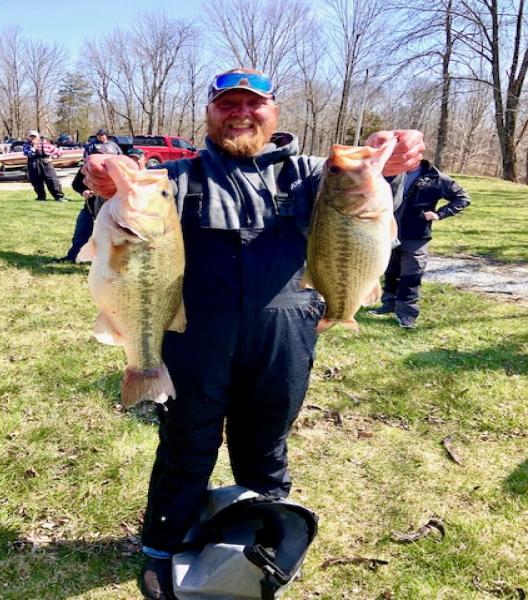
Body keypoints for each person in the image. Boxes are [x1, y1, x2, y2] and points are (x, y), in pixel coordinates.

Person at [131, 69, 423, 600]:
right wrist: (103, 181)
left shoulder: (311, 175)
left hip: (285, 334)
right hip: (196, 336)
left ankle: (263, 545)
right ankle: (163, 546)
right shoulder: (177, 177)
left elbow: (367, 199)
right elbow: (124, 212)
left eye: (254, 104)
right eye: (227, 104)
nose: (240, 113)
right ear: (209, 113)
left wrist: (394, 156)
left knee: (265, 444)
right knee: (187, 442)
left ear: (274, 113)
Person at [367, 135, 470, 329]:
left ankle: (407, 314)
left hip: (416, 234)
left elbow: (462, 198)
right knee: (390, 271)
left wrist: (440, 214)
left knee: (411, 274)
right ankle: (388, 304)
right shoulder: (388, 173)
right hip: (387, 232)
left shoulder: (435, 178)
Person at [54, 144, 145, 264]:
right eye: (97, 154)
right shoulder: (89, 168)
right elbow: (76, 184)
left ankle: (112, 262)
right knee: (82, 232)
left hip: (115, 211)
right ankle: (73, 256)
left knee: (114, 238)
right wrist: (84, 191)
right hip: (91, 206)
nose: (99, 158)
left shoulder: (123, 170)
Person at [22, 130, 66, 201]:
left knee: (52, 180)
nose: (33, 138)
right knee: (36, 181)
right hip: (33, 164)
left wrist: (53, 157)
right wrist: (33, 148)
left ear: (38, 137)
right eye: (31, 137)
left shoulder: (45, 144)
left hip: (46, 163)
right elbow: (26, 153)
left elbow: (59, 152)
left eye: (34, 137)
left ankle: (59, 196)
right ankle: (41, 197)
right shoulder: (26, 145)